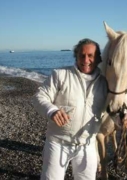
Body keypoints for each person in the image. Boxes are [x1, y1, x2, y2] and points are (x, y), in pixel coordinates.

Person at [33, 38, 107, 180]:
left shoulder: (104, 83)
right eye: (82, 55)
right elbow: (39, 97)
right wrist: (52, 110)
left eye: (90, 55)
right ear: (76, 56)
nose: (86, 60)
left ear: (98, 58)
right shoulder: (60, 74)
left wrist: (122, 119)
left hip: (87, 144)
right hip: (58, 142)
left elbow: (111, 110)